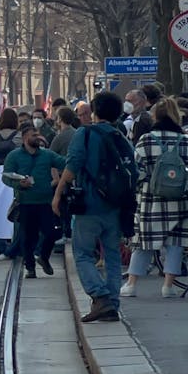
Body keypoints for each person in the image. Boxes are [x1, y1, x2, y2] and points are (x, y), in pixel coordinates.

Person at [53, 91, 135, 323]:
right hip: (116, 207)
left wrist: (58, 194)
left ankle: (100, 297)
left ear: (95, 111)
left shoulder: (85, 134)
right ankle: (113, 304)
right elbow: (134, 171)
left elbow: (73, 165)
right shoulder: (122, 137)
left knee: (82, 252)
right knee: (112, 255)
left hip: (89, 204)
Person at [123, 98, 188, 299]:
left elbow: (135, 170)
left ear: (155, 115)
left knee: (144, 243)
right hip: (180, 199)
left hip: (151, 198)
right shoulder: (186, 140)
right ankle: (168, 286)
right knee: (176, 243)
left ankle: (131, 284)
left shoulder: (146, 139)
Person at [2, 124, 66, 279]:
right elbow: (5, 176)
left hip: (45, 202)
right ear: (25, 139)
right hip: (25, 202)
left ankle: (43, 257)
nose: (37, 138)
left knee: (51, 232)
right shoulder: (14, 156)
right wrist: (18, 184)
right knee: (27, 237)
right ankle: (30, 267)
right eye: (33, 135)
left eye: (38, 135)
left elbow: (64, 163)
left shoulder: (47, 155)